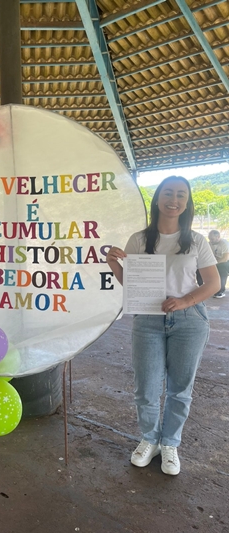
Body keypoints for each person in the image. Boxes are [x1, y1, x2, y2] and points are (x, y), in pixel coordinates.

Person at [106, 176, 220, 476]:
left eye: (181, 194)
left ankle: (170, 443)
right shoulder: (139, 240)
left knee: (180, 389)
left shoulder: (196, 241)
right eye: (168, 193)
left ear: (187, 202)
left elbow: (213, 283)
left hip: (189, 320)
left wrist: (184, 301)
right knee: (146, 387)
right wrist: (114, 264)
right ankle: (149, 439)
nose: (174, 199)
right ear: (157, 199)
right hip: (148, 320)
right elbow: (133, 285)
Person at [208, 230, 229, 298]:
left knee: (222, 271)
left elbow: (225, 258)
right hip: (216, 261)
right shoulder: (210, 244)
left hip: (225, 262)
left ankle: (220, 292)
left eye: (212, 239)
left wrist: (213, 263)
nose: (210, 240)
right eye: (209, 238)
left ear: (218, 237)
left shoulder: (224, 244)